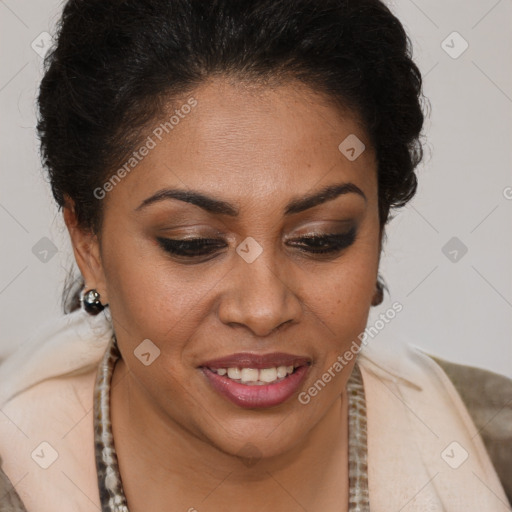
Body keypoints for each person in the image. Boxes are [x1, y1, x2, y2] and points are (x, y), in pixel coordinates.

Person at [0, 0, 509, 510]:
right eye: (192, 243)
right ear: (88, 245)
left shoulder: (494, 450)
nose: (264, 309)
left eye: (320, 238)